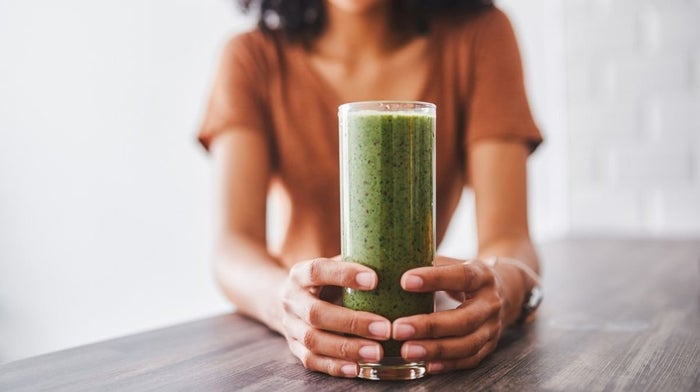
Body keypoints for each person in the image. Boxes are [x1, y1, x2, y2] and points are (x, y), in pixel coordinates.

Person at [198, 0, 542, 378]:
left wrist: (502, 293)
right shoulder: (253, 57)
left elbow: (509, 237)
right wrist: (286, 305)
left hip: (417, 333)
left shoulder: (478, 35)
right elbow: (233, 246)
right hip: (303, 345)